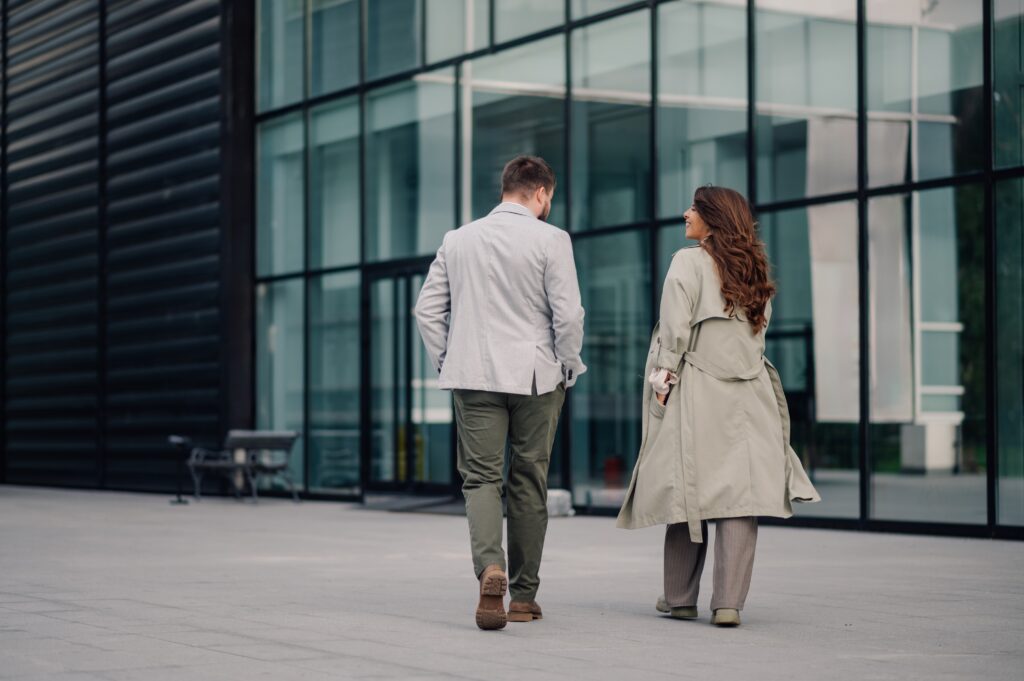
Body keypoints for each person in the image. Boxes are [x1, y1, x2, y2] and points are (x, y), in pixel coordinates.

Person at [616, 185, 820, 627]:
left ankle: (680, 597)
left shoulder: (685, 264)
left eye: (695, 208)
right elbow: (757, 338)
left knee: (686, 492)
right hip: (750, 395)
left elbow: (673, 333)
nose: (685, 212)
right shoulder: (755, 270)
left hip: (696, 390)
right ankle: (728, 603)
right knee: (738, 497)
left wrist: (661, 384)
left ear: (714, 218)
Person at [414, 155, 586, 631]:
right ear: (542, 193)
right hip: (535, 377)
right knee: (529, 480)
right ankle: (525, 597)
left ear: (505, 187)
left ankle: (490, 568)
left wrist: (449, 361)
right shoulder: (552, 239)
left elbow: (427, 312)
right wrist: (568, 366)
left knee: (481, 480)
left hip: (473, 376)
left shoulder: (458, 239)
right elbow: (568, 316)